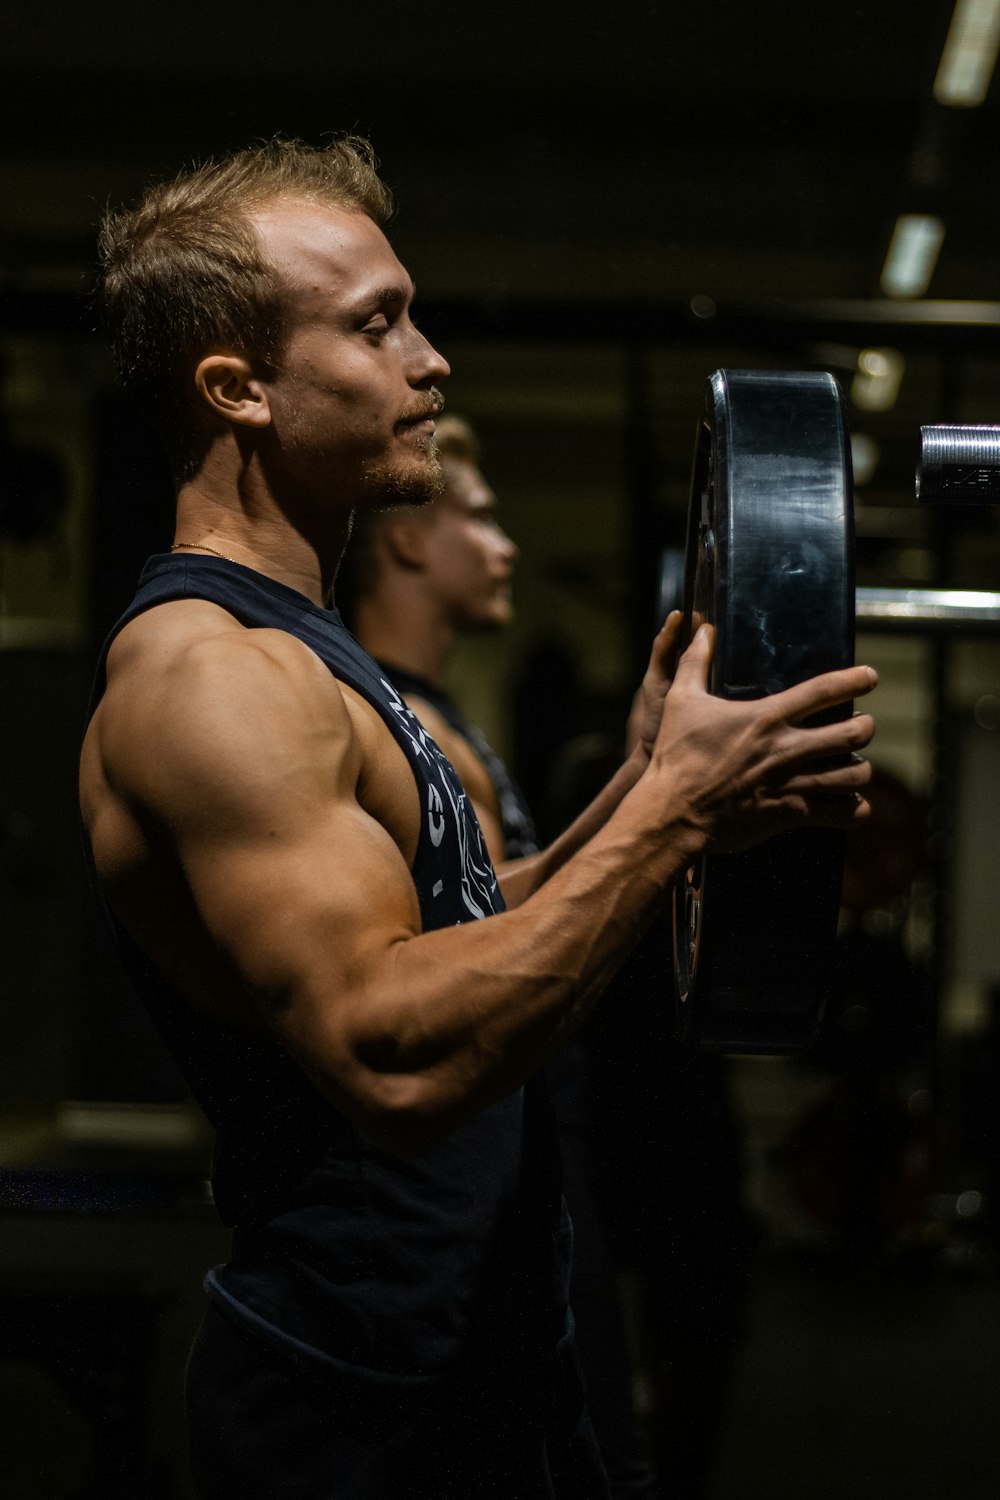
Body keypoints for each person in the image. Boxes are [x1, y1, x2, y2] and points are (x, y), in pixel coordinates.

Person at [80, 136, 877, 1499]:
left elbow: (447, 926)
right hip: (357, 1406)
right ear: (237, 387)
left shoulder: (314, 658)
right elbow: (390, 1055)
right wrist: (672, 813)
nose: (431, 357)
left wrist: (642, 788)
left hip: (479, 1364)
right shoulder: (214, 680)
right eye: (377, 325)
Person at [339, 414, 661, 1497]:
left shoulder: (445, 722)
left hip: (537, 1150)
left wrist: (651, 781)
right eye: (480, 519)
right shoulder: (403, 731)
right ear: (408, 542)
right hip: (482, 1171)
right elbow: (473, 958)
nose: (509, 545)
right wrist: (667, 810)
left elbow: (504, 900)